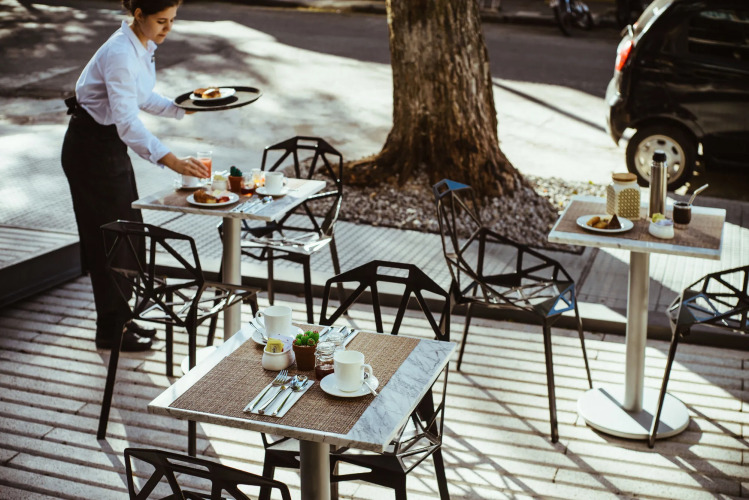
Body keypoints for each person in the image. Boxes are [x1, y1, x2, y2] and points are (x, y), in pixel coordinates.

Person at [61, 0, 207, 352]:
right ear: (138, 15)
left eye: (173, 20)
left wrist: (180, 108)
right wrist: (172, 161)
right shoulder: (120, 54)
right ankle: (110, 330)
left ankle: (121, 319)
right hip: (90, 151)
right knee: (109, 240)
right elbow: (127, 123)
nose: (168, 28)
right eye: (162, 20)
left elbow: (141, 96)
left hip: (108, 147)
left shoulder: (141, 44)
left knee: (126, 234)